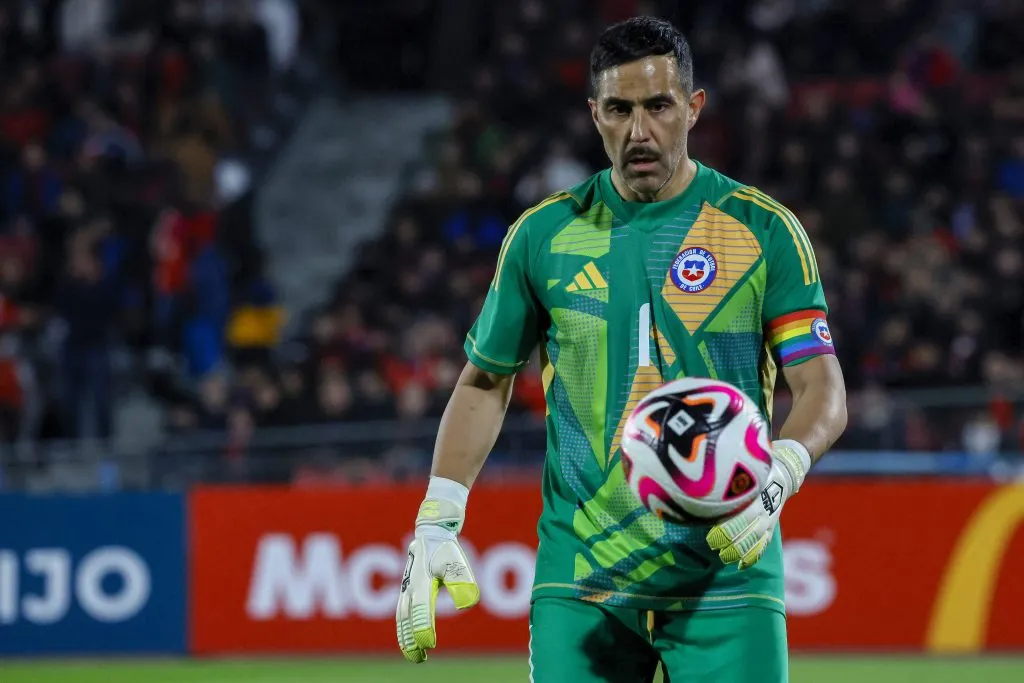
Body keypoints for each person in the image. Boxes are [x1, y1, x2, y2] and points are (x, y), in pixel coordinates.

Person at [395, 16, 848, 683]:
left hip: (726, 572)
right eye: (620, 109)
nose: (640, 131)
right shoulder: (543, 236)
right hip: (583, 579)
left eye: (659, 106)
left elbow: (823, 390)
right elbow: (484, 381)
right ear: (594, 115)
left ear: (693, 109)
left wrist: (778, 477)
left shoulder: (762, 230)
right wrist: (437, 516)